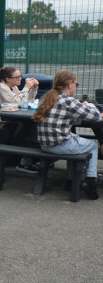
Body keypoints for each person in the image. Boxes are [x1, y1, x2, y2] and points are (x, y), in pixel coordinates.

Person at [33, 70, 101, 200]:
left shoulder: (46, 98)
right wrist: (91, 105)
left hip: (44, 145)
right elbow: (96, 116)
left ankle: (70, 181)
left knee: (74, 141)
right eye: (76, 84)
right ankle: (90, 181)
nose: (76, 87)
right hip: (59, 145)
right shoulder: (68, 101)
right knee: (92, 145)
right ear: (70, 84)